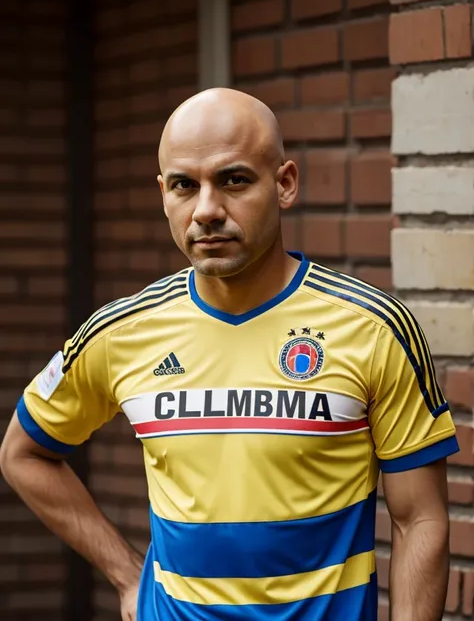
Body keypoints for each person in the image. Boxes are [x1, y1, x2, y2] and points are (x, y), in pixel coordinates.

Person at [0, 88, 458, 621]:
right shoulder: (122, 331)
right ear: (163, 194)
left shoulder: (374, 329)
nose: (207, 210)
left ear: (284, 184)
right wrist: (128, 576)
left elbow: (420, 520)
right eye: (184, 186)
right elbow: (24, 453)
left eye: (234, 180)